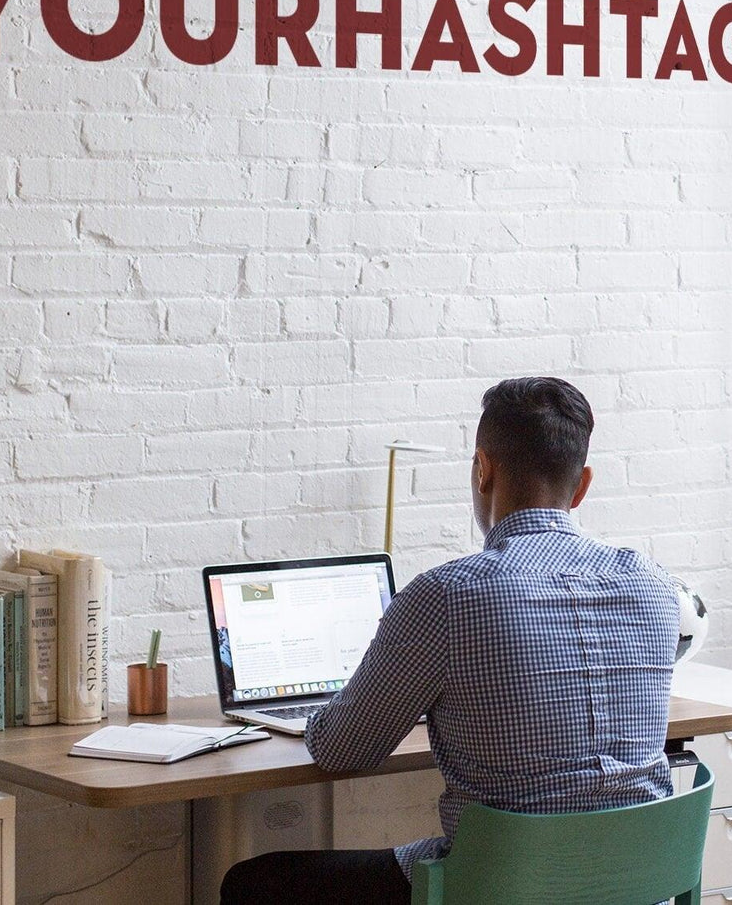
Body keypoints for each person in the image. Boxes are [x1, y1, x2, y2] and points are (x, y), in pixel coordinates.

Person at [220, 376, 680, 905]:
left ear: (482, 471)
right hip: (638, 888)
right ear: (582, 486)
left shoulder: (448, 595)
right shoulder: (653, 585)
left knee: (253, 884)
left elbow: (340, 749)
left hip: (499, 888)